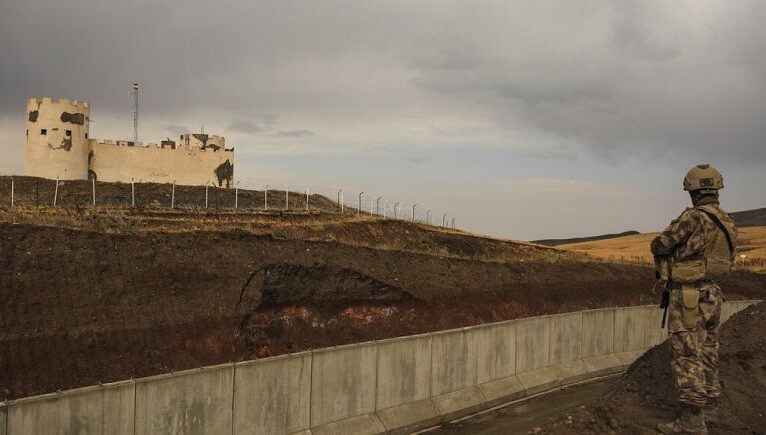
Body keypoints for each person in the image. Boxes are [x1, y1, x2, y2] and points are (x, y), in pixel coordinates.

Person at [651, 164, 737, 434]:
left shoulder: (693, 218)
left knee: (687, 354)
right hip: (712, 293)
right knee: (709, 348)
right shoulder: (726, 219)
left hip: (689, 295)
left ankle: (692, 421)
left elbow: (661, 244)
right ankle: (711, 403)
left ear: (692, 189)